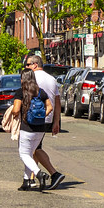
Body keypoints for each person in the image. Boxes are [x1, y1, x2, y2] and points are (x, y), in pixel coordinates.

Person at [23, 55, 66, 190]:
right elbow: (57, 101)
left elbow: (28, 97)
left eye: (28, 64)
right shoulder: (52, 79)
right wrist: (56, 121)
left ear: (35, 65)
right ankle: (31, 178)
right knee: (34, 148)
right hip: (47, 117)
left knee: (34, 149)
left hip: (34, 118)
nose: (26, 67)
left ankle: (54, 174)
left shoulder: (32, 78)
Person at [11, 68, 53, 191]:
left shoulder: (21, 92)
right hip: (40, 128)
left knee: (23, 154)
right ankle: (26, 181)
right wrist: (40, 117)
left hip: (27, 128)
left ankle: (39, 174)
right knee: (29, 153)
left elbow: (16, 110)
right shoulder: (41, 92)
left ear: (22, 79)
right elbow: (50, 107)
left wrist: (13, 113)